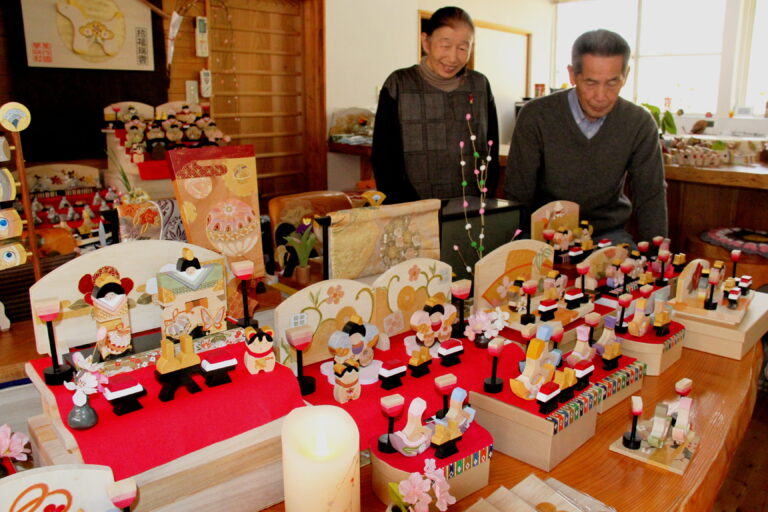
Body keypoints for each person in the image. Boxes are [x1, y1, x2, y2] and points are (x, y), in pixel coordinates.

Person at [505, 29, 667, 244]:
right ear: (572, 74)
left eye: (612, 83)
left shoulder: (639, 122)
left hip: (607, 235)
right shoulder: (536, 115)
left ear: (625, 75)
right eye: (590, 83)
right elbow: (518, 193)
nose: (601, 96)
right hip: (542, 233)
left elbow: (651, 195)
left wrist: (657, 258)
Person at [372, 6, 499, 203]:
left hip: (470, 206)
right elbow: (384, 160)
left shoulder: (480, 85)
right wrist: (407, 208)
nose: (453, 57)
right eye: (445, 45)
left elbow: (490, 149)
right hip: (412, 207)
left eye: (463, 48)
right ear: (426, 42)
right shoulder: (398, 84)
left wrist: (484, 198)